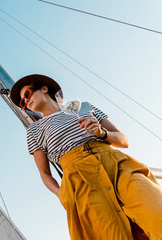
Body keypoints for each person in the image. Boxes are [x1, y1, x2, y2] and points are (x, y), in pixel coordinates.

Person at [10, 74, 162, 240]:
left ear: (44, 88)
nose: (26, 102)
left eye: (27, 94)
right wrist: (63, 196)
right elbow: (45, 174)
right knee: (113, 234)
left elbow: (123, 141)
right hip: (79, 180)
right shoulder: (34, 130)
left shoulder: (83, 106)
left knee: (156, 210)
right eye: (23, 104)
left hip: (116, 164)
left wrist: (101, 133)